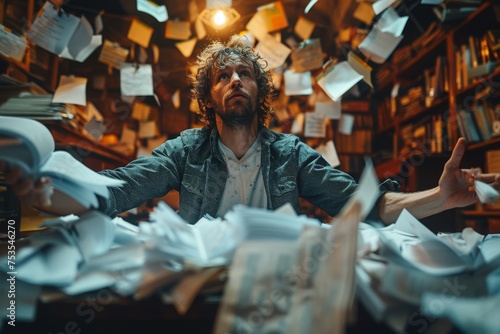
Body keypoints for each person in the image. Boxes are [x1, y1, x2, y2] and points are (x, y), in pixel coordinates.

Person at [1, 35, 499, 225]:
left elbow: (366, 208)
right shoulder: (184, 151)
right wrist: (44, 196)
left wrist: (439, 196)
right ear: (208, 96)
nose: (234, 80)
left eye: (245, 74)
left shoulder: (292, 154)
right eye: (222, 76)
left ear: (260, 91)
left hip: (275, 285)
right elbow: (114, 191)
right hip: (201, 284)